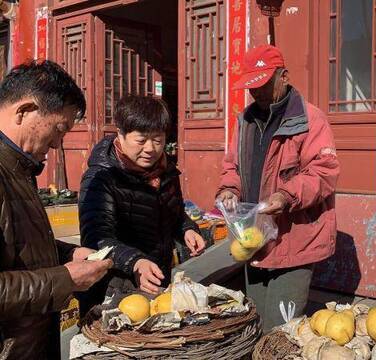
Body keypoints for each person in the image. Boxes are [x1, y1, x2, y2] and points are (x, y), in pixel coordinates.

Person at [216, 45, 340, 330]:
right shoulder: (244, 121)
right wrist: (229, 190)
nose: (256, 93)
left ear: (283, 76)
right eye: (251, 87)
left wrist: (286, 196)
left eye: (263, 85)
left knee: (280, 329)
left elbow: (324, 172)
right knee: (255, 323)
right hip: (255, 238)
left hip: (294, 240)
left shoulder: (311, 119)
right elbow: (231, 166)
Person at [0, 60, 113, 360]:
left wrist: (67, 254)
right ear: (24, 112)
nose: (57, 145)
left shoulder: (19, 168)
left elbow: (18, 247)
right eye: (58, 130)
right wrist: (67, 279)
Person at [78, 95, 206, 315]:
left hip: (155, 277)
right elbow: (96, 238)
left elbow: (172, 211)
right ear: (120, 134)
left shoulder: (165, 171)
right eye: (141, 140)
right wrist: (135, 261)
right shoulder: (101, 177)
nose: (150, 149)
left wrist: (186, 229)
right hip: (114, 285)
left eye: (157, 140)